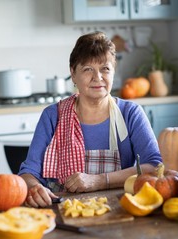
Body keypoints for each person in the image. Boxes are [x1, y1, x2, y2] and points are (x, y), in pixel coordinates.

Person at [18, 31, 162, 208]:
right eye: (88, 69)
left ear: (113, 72)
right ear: (73, 73)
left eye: (105, 69)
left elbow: (154, 167)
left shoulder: (130, 114)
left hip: (118, 210)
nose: (98, 77)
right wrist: (34, 188)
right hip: (62, 212)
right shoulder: (52, 116)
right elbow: (28, 173)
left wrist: (98, 181)